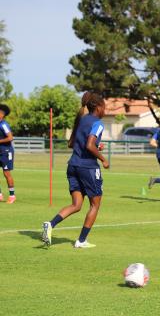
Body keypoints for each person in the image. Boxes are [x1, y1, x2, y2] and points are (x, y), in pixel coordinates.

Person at [42, 92, 109, 248]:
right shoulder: (98, 123)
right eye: (105, 107)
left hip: (72, 165)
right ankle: (81, 241)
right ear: (98, 107)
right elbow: (89, 145)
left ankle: (50, 224)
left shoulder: (82, 119)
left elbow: (72, 143)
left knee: (76, 205)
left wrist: (95, 147)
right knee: (95, 205)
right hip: (88, 168)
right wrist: (103, 159)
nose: (105, 111)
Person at [0, 104, 16, 204]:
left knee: (6, 173)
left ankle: (12, 195)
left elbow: (10, 138)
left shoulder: (4, 125)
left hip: (6, 152)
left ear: (2, 115)